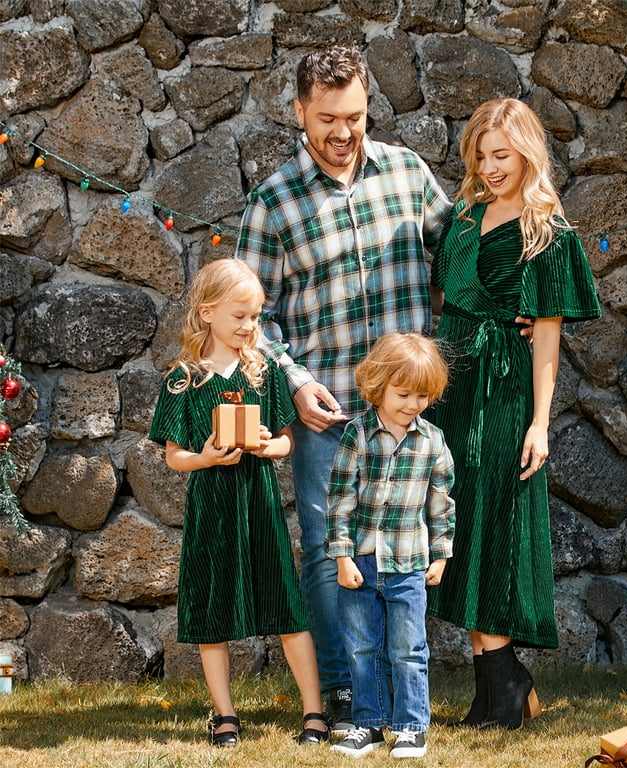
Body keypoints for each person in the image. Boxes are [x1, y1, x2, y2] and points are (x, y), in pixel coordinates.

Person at [235, 44, 452, 730]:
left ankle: (399, 688)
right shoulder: (272, 203)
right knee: (332, 555)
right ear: (300, 111)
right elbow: (252, 318)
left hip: (407, 416)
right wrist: (295, 384)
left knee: (409, 548)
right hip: (326, 414)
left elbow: (461, 254)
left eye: (354, 116)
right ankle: (340, 691)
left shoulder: (409, 175)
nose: (342, 132)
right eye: (327, 117)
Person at [426, 98, 602, 731]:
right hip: (453, 386)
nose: (490, 165)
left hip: (503, 392)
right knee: (460, 519)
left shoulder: (547, 233)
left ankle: (504, 683)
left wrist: (538, 423)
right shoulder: (464, 217)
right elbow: (451, 296)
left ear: (527, 152)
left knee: (495, 522)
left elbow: (548, 336)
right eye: (480, 154)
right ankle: (497, 684)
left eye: (502, 154)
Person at [148, 259, 330, 747]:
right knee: (214, 611)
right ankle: (224, 714)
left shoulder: (263, 371)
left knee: (286, 604)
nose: (250, 327)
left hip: (260, 503)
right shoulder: (183, 379)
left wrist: (265, 445)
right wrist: (206, 457)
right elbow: (174, 457)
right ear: (206, 313)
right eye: (240, 317)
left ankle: (315, 712)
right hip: (211, 508)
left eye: (255, 316)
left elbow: (286, 443)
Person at [326, 333, 455, 758]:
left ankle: (411, 727)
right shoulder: (357, 436)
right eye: (403, 394)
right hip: (361, 562)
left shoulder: (432, 441)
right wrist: (342, 556)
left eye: (422, 395)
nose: (412, 404)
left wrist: (441, 552)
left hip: (409, 564)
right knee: (363, 648)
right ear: (378, 385)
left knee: (409, 648)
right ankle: (369, 724)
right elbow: (340, 500)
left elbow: (441, 503)